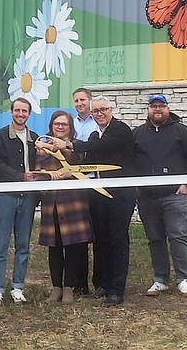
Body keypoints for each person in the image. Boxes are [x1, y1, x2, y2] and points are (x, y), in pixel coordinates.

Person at [45, 95, 136, 306]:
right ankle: (103, 283)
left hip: (120, 194)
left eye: (103, 109)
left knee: (118, 239)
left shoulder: (120, 130)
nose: (100, 114)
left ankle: (117, 289)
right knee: (101, 239)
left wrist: (67, 143)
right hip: (99, 193)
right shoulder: (95, 135)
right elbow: (86, 161)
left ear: (111, 110)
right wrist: (59, 152)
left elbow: (99, 149)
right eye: (96, 111)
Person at [132, 94, 187, 297]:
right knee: (155, 239)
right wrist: (136, 186)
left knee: (178, 237)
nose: (157, 110)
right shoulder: (137, 133)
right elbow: (130, 162)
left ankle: (183, 278)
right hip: (146, 197)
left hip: (174, 195)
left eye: (161, 106)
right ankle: (160, 279)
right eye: (153, 106)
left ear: (167, 108)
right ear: (148, 109)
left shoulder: (181, 131)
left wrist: (186, 184)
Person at [33, 111, 92, 304]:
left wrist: (68, 171)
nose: (60, 127)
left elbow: (84, 167)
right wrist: (49, 175)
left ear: (70, 127)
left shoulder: (76, 146)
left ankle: (69, 288)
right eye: (57, 124)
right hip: (52, 202)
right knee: (54, 246)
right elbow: (36, 173)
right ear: (51, 126)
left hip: (73, 201)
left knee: (74, 246)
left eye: (64, 124)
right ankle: (56, 287)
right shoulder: (41, 149)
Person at [0, 97, 38, 305]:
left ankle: (18, 287)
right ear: (11, 112)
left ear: (29, 114)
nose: (20, 114)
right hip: (4, 196)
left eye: (24, 111)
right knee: (0, 245)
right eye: (17, 110)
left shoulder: (35, 138)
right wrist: (19, 176)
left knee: (23, 245)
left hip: (27, 197)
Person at [70, 87, 96, 295]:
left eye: (82, 100)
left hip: (94, 183)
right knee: (78, 236)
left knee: (96, 234)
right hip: (74, 184)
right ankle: (79, 282)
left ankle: (99, 280)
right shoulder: (71, 124)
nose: (79, 103)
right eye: (76, 101)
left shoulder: (98, 122)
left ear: (90, 101)